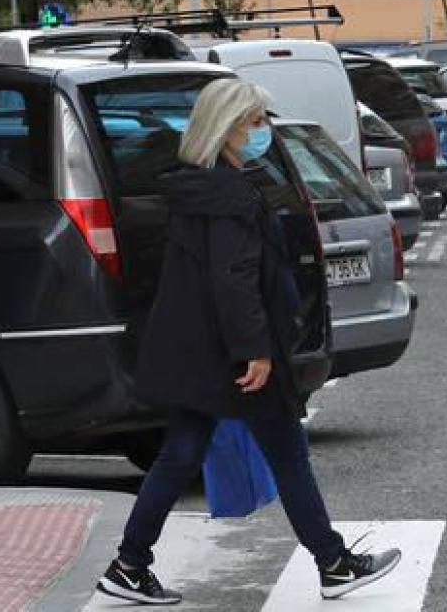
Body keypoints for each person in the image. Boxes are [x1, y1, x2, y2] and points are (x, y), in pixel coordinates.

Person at [98, 77, 401, 606]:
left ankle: (129, 564)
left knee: (182, 454)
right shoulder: (229, 196)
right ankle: (333, 563)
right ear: (228, 129)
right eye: (255, 122)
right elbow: (234, 278)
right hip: (235, 357)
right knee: (287, 456)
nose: (264, 132)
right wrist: (256, 350)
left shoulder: (199, 186)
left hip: (203, 351)